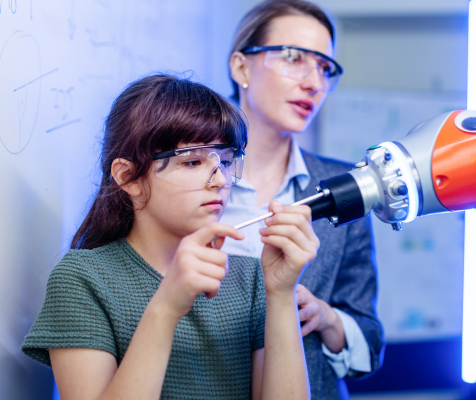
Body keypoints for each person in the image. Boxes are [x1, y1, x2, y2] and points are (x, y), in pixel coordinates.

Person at [21, 74, 319, 400]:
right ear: (128, 177)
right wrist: (166, 306)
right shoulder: (83, 278)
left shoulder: (252, 279)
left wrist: (281, 292)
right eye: (192, 161)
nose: (220, 179)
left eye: (227, 162)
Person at [221, 1, 384, 398]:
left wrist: (327, 318)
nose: (314, 83)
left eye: (325, 68)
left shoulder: (344, 188)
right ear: (241, 67)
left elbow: (370, 341)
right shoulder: (186, 177)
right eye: (294, 58)